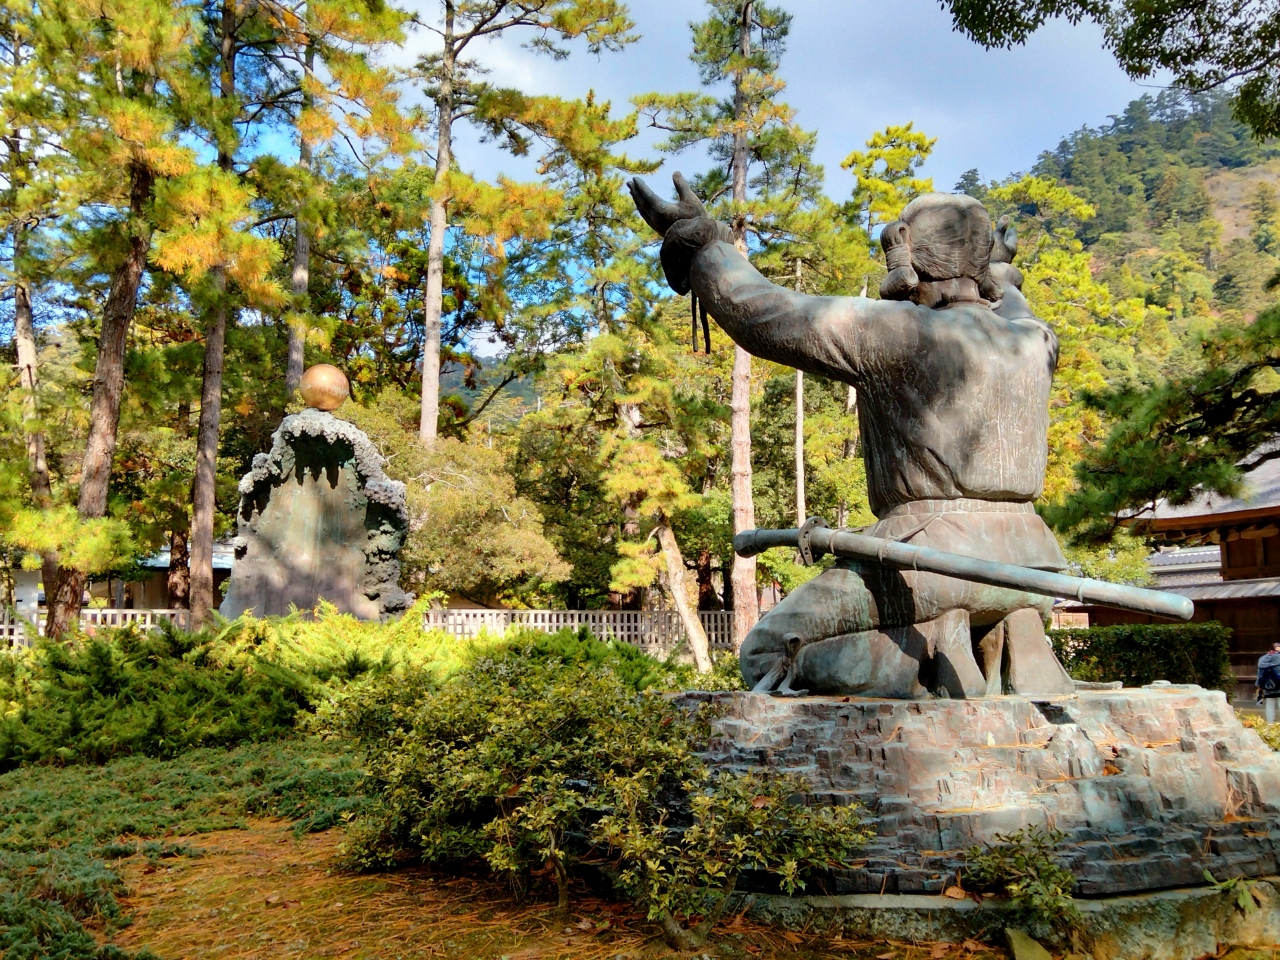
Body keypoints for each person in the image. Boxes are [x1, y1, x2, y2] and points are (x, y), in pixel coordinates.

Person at [629, 174, 1075, 697]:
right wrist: (995, 267)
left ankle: (931, 655)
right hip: (1031, 568)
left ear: (906, 252)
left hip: (927, 560)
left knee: (767, 654)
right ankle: (1008, 634)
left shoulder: (896, 329)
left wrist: (703, 242)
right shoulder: (1035, 341)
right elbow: (1012, 300)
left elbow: (762, 310)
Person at [1257, 641, 1280, 721]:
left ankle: (1270, 724)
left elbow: (1260, 673)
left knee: (1270, 705)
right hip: (1279, 684)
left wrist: (1259, 685)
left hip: (1268, 685)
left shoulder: (1263, 659)